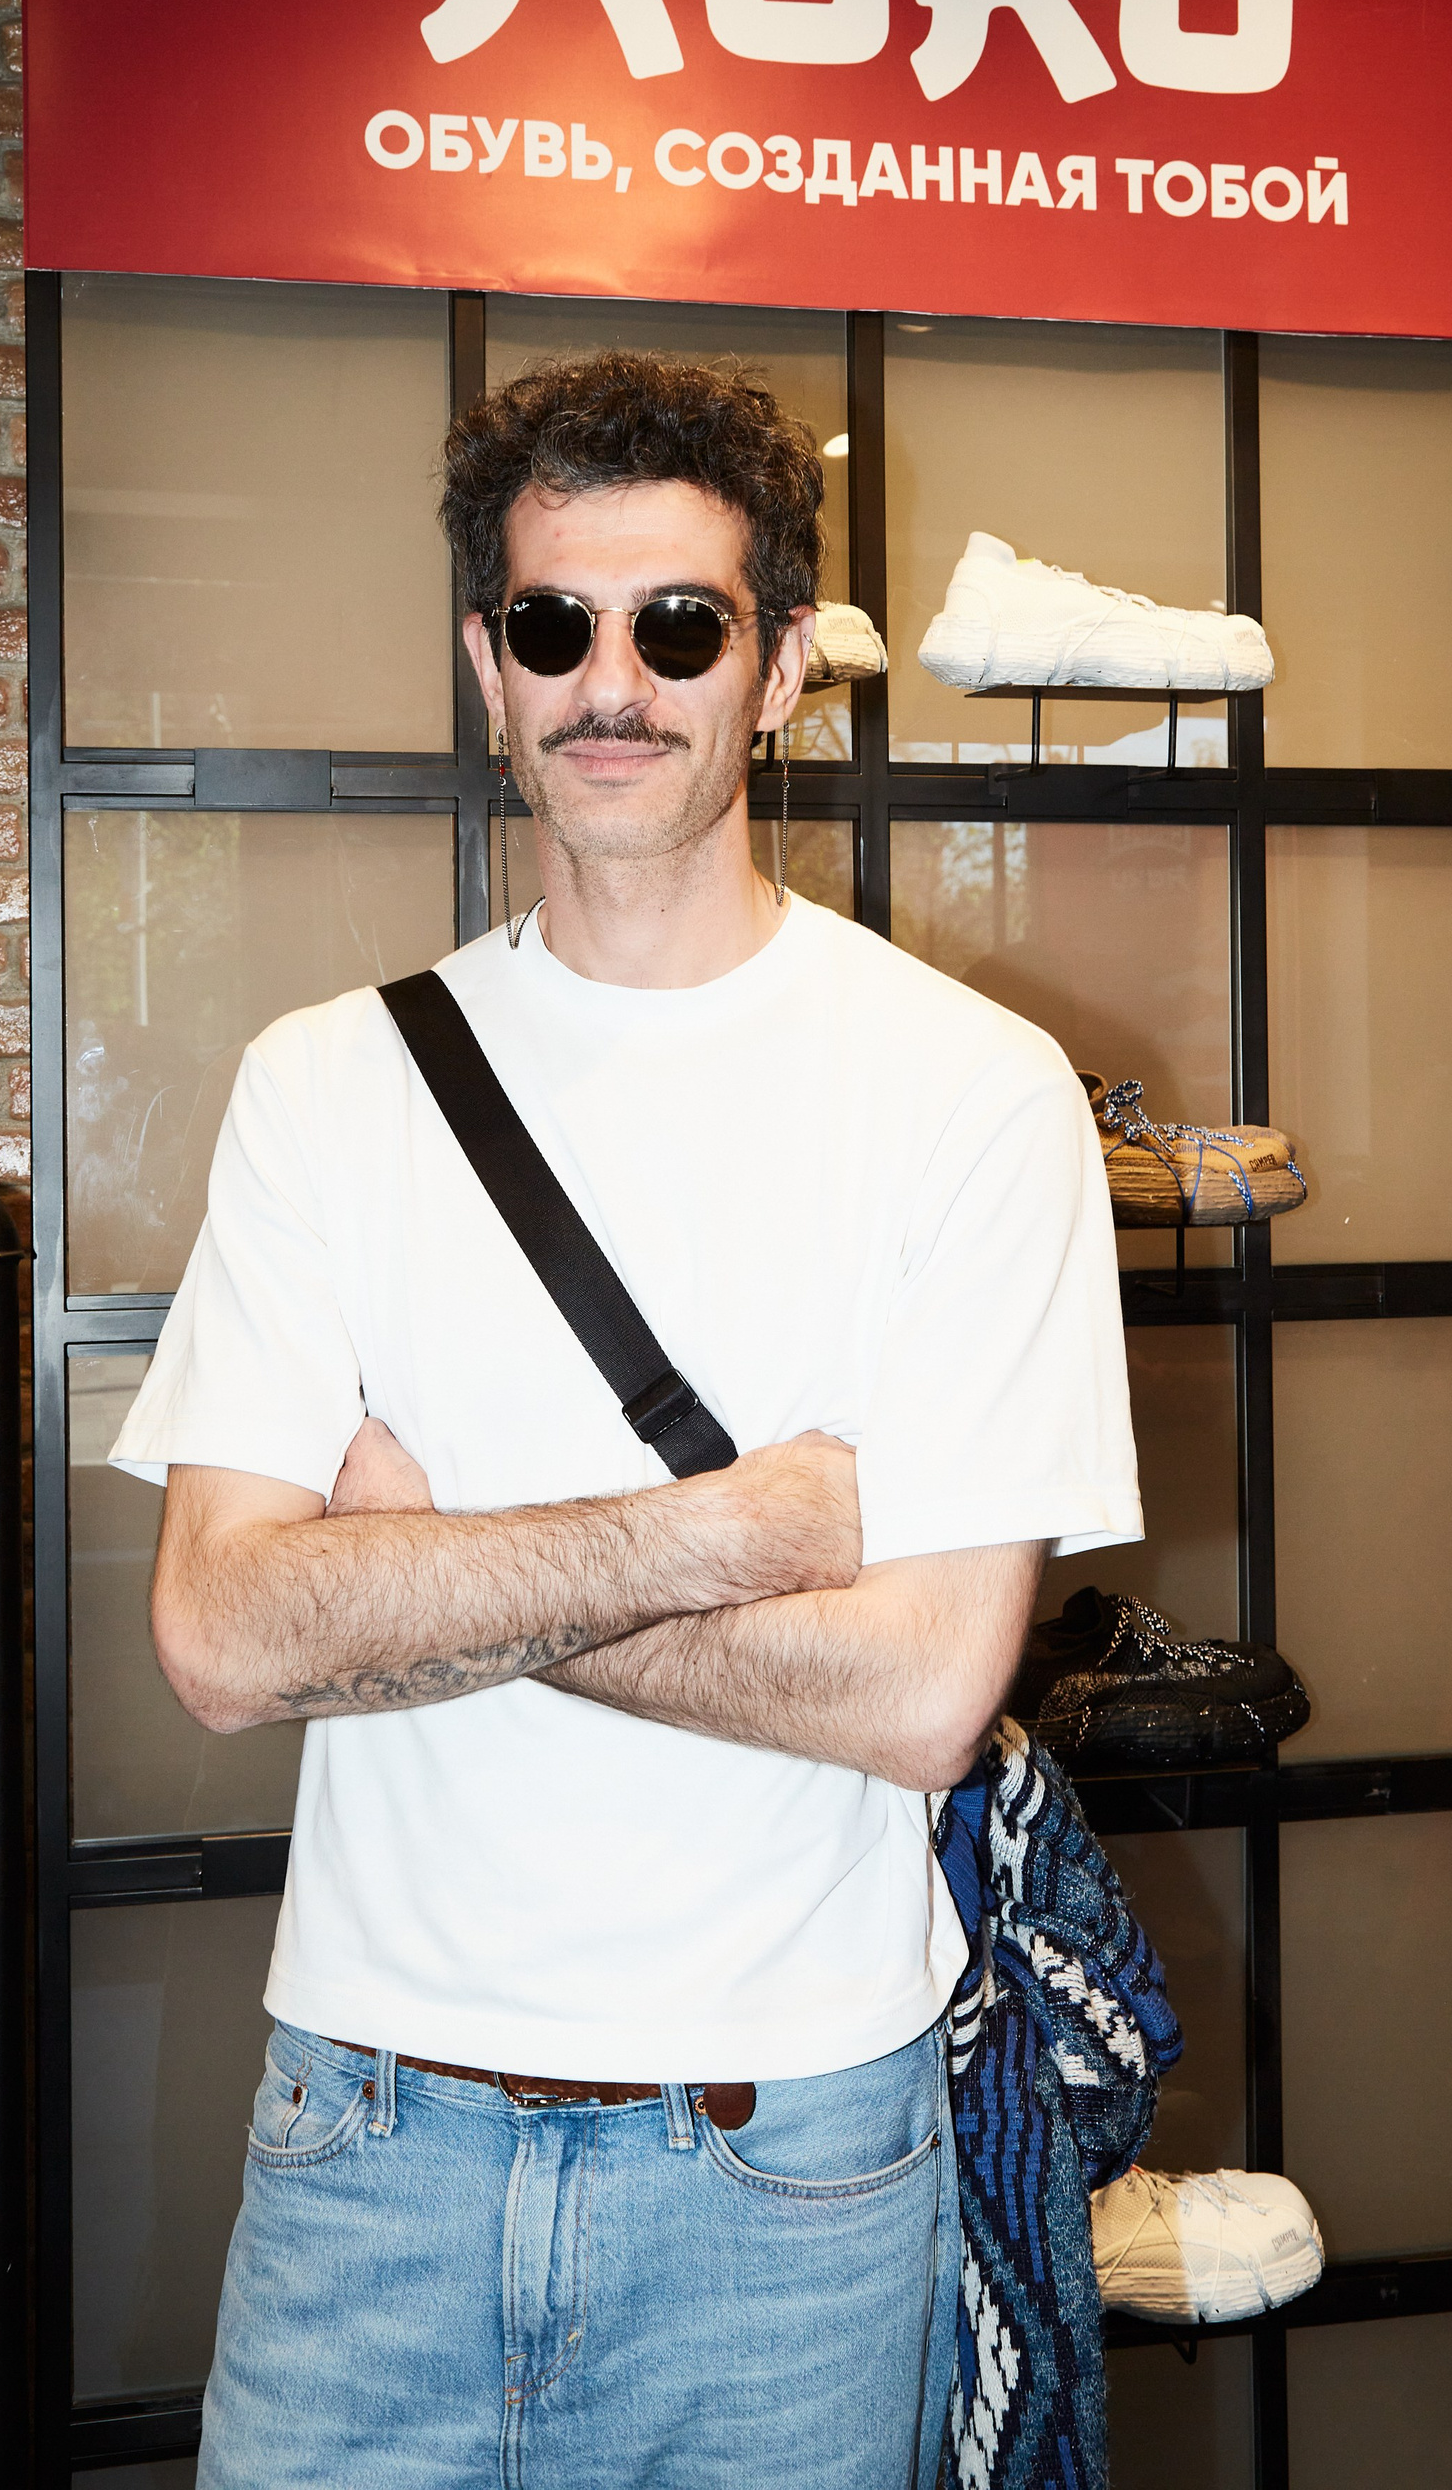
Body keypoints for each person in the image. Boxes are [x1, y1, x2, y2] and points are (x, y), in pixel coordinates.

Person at [115, 351, 1144, 2488]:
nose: (614, 682)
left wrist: (416, 1573)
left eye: (681, 625)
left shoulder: (971, 1096)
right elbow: (220, 1636)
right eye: (553, 624)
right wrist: (732, 1531)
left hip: (794, 2166)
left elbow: (921, 1702)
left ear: (781, 668)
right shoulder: (330, 1083)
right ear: (485, 662)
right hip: (367, 2143)